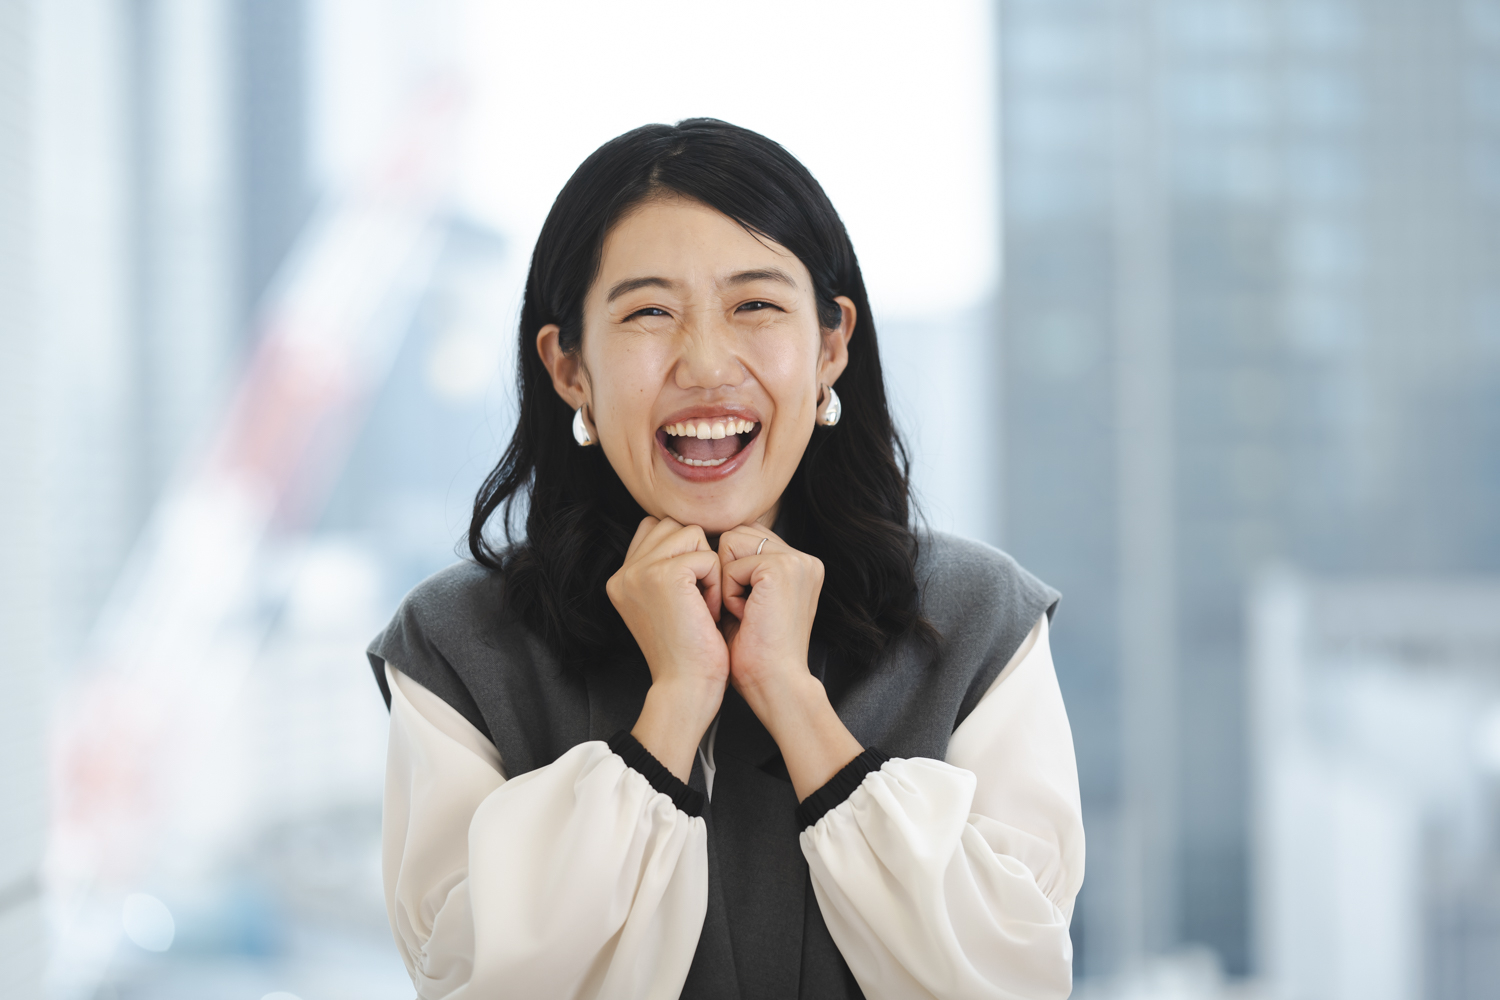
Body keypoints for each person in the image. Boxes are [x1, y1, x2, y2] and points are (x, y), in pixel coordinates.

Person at [368, 118, 1084, 1000]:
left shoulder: (981, 618)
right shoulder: (453, 644)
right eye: (648, 314)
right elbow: (478, 980)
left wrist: (791, 695)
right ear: (569, 369)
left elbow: (1014, 976)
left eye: (755, 305)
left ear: (830, 346)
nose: (706, 364)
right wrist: (673, 706)